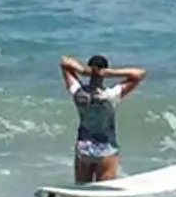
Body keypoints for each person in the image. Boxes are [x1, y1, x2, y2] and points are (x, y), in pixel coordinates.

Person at [59, 52, 146, 185]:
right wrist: (109, 73)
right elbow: (139, 74)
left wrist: (84, 71)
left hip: (84, 149)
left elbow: (64, 62)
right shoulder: (111, 95)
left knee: (82, 191)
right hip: (106, 150)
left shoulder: (78, 92)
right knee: (103, 194)